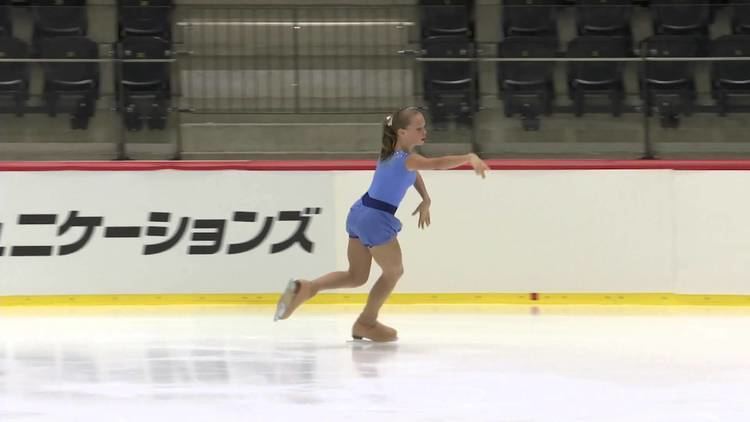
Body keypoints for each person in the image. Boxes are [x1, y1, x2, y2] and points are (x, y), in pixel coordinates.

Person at [274, 106, 489, 342]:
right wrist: (469, 157)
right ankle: (366, 322)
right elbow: (436, 163)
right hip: (376, 219)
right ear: (402, 132)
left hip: (359, 212)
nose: (424, 131)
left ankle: (308, 287)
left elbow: (414, 172)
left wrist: (425, 197)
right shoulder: (408, 159)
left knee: (356, 276)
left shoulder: (390, 153)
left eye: (424, 127)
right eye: (418, 128)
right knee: (394, 271)